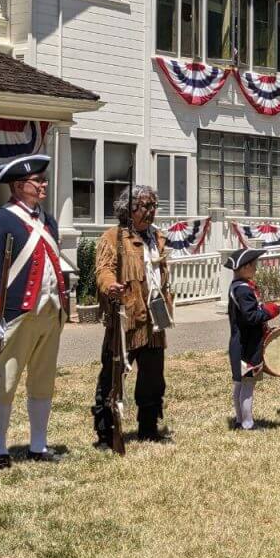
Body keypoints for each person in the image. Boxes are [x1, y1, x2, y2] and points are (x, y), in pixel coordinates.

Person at [0, 154, 68, 468]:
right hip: (17, 312)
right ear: (18, 186)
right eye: (37, 181)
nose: (43, 185)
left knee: (42, 381)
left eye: (43, 180)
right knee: (5, 383)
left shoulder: (48, 220)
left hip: (50, 312)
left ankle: (38, 445)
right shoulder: (0, 220)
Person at [93, 185, 174, 444]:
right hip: (126, 317)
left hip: (154, 319)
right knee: (113, 374)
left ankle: (148, 427)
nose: (150, 212)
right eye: (144, 206)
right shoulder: (114, 237)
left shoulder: (157, 237)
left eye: (153, 206)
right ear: (129, 210)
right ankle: (106, 430)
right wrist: (110, 286)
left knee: (153, 376)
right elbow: (104, 269)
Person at [226, 248, 280, 430]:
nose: (256, 268)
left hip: (241, 342)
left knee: (241, 384)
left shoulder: (238, 286)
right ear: (245, 267)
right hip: (247, 344)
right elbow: (251, 317)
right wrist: (271, 310)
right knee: (247, 384)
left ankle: (240, 420)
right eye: (254, 265)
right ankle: (247, 423)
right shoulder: (243, 290)